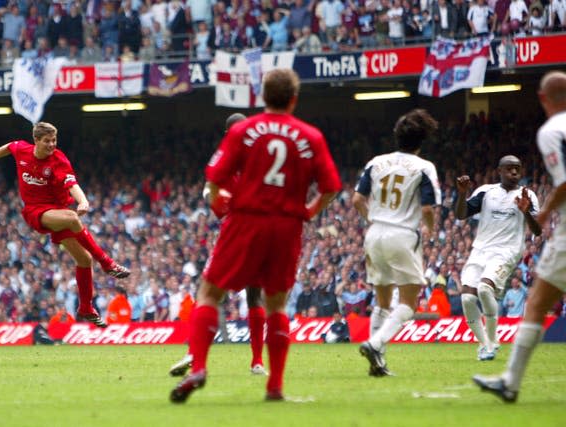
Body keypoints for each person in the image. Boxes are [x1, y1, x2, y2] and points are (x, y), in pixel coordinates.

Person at [169, 68, 341, 403]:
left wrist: (223, 208)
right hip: (286, 226)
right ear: (293, 99)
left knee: (209, 293)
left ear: (263, 97)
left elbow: (214, 179)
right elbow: (331, 188)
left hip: (245, 221)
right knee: (275, 303)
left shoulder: (244, 131)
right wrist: (308, 211)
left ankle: (199, 367)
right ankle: (274, 385)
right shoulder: (310, 136)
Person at [0, 122, 130, 328]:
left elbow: (72, 184)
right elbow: (8, 147)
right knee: (72, 218)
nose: (51, 144)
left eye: (54, 140)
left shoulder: (58, 160)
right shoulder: (22, 149)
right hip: (35, 211)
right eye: (47, 141)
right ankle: (107, 262)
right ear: (36, 141)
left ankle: (86, 307)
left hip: (56, 211)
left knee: (84, 259)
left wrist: (83, 201)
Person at [473, 71, 566, 403]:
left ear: (543, 98)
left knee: (538, 303)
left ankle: (510, 383)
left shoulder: (553, 131)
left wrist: (542, 213)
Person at [169, 113, 270, 378]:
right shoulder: (264, 156)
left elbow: (211, 192)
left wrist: (221, 207)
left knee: (208, 294)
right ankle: (257, 362)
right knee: (254, 295)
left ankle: (194, 355)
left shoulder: (226, 155)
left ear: (228, 133)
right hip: (262, 232)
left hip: (235, 230)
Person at [353, 108, 441, 377]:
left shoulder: (376, 162)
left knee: (381, 301)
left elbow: (357, 200)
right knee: (409, 302)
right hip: (402, 234)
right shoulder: (424, 167)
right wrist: (430, 230)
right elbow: (427, 209)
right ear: (422, 140)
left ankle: (376, 364)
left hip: (375, 233)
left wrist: (374, 221)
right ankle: (376, 343)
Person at [455, 155, 541, 361]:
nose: (514, 173)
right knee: (467, 298)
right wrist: (462, 194)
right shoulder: (486, 192)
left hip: (507, 251)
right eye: (509, 169)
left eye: (517, 169)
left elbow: (537, 231)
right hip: (480, 250)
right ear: (499, 171)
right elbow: (461, 214)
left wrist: (526, 212)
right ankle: (484, 344)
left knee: (484, 288)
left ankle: (492, 342)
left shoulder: (527, 195)